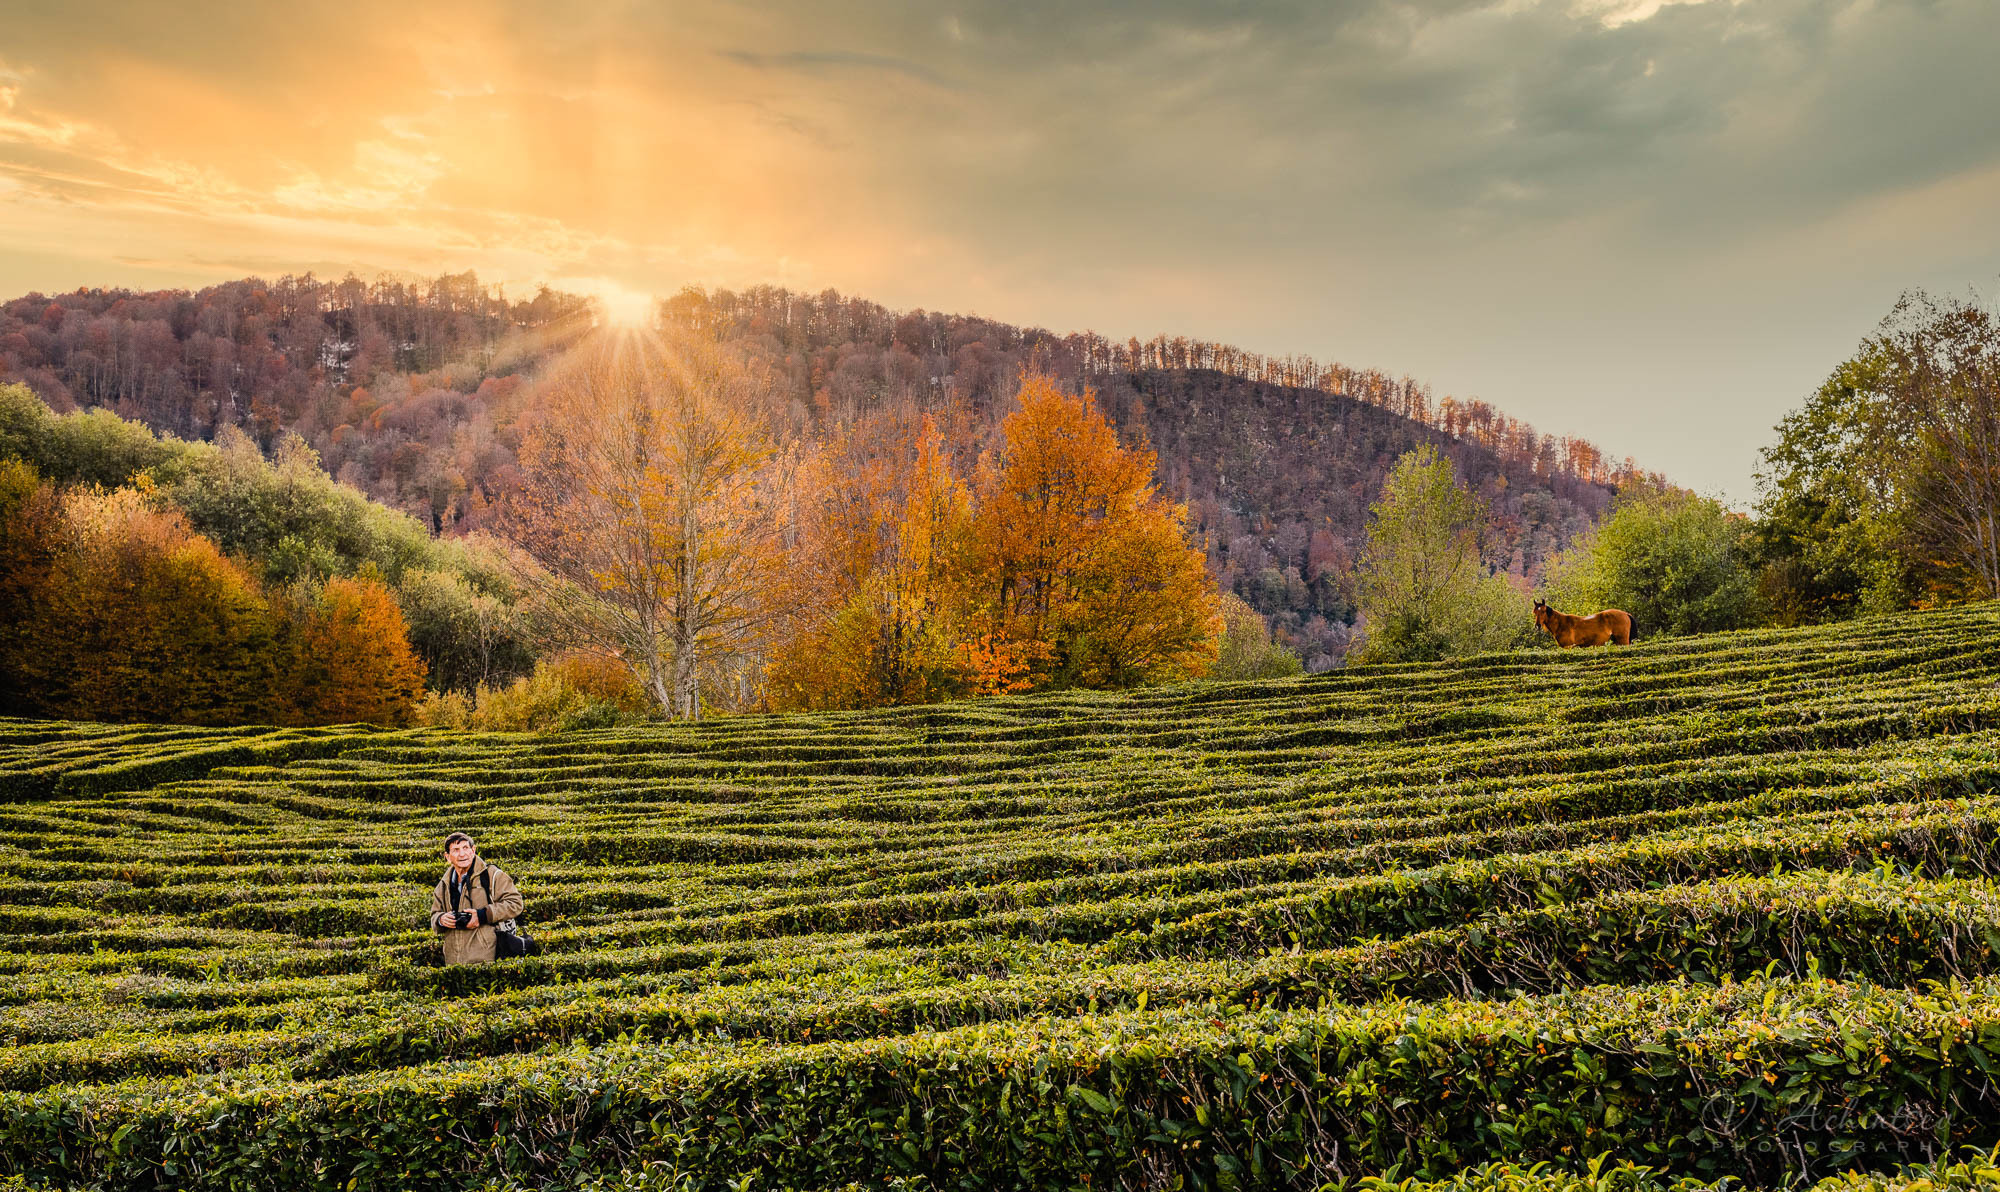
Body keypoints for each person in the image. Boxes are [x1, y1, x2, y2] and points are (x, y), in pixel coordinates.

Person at [429, 831, 524, 966]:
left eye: (465, 848)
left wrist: (482, 915)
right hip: (453, 961)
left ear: (473, 850)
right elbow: (434, 915)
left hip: (487, 958)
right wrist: (441, 919)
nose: (462, 854)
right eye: (456, 850)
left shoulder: (492, 875)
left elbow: (515, 903)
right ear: (447, 857)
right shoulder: (443, 884)